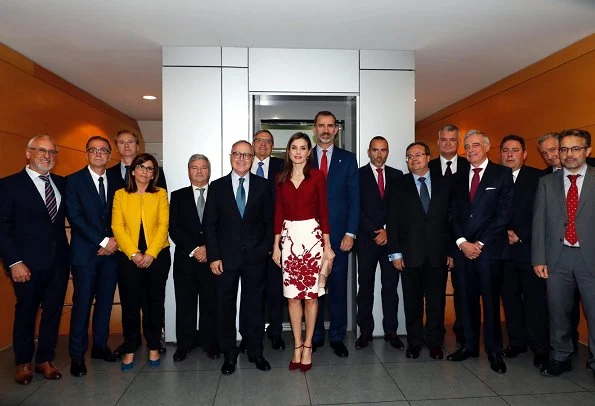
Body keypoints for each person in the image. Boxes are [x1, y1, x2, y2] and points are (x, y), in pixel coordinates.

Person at [0, 135, 70, 385]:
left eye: (52, 152)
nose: (47, 156)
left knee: (53, 312)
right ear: (28, 153)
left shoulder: (62, 183)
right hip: (25, 264)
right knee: (26, 312)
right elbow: (3, 227)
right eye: (41, 150)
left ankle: (45, 359)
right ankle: (23, 362)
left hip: (59, 262)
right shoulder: (9, 185)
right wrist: (14, 262)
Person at [204, 140, 273, 376]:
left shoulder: (264, 186)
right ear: (230, 156)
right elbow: (210, 225)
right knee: (225, 306)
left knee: (254, 305)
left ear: (253, 157)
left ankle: (254, 350)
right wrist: (213, 256)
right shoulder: (217, 187)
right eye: (237, 154)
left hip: (255, 257)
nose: (241, 159)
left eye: (246, 155)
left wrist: (264, 249)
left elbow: (269, 222)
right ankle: (229, 353)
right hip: (225, 259)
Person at [447, 130, 513, 374]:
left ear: (487, 147)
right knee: (466, 300)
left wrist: (480, 243)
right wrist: (463, 242)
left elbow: (504, 214)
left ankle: (495, 352)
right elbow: (451, 214)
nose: (471, 150)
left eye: (476, 145)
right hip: (463, 250)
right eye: (467, 146)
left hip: (490, 250)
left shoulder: (502, 174)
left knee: (491, 302)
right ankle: (469, 346)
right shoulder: (458, 177)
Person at [533, 129, 595, 377]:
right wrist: (538, 258)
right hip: (557, 258)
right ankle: (560, 356)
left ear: (587, 151)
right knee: (558, 311)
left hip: (590, 257)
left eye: (575, 148)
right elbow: (539, 222)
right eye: (564, 149)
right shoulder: (546, 182)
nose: (569, 154)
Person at [271, 132, 333, 372]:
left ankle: (308, 345)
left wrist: (327, 246)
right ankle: (296, 344)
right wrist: (276, 245)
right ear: (289, 151)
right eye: (294, 147)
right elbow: (278, 213)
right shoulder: (280, 178)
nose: (298, 152)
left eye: (303, 148)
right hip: (288, 238)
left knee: (311, 296)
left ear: (309, 152)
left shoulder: (317, 176)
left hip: (312, 238)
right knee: (292, 296)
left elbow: (324, 212)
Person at [387, 142, 452, 360]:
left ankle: (434, 342)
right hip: (409, 254)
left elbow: (451, 220)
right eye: (409, 156)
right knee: (412, 301)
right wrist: (395, 253)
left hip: (437, 253)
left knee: (436, 301)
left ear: (428, 157)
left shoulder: (444, 183)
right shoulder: (398, 185)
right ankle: (414, 342)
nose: (414, 159)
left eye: (418, 155)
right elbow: (392, 221)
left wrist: (451, 250)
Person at [107, 129, 168, 357]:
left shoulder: (160, 194)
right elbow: (117, 227)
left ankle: (153, 345)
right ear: (133, 171)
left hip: (158, 256)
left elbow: (163, 225)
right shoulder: (120, 194)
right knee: (131, 305)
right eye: (141, 167)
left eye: (149, 168)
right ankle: (130, 346)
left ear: (154, 174)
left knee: (154, 303)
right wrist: (134, 253)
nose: (145, 171)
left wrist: (150, 254)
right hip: (128, 257)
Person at [65, 136, 120, 377]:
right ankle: (77, 355)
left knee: (105, 303)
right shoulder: (73, 181)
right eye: (93, 150)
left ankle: (100, 346)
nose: (98, 154)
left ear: (110, 155)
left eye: (103, 150)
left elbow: (124, 214)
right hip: (85, 254)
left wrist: (114, 242)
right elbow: (75, 218)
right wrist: (103, 241)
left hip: (111, 254)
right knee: (82, 304)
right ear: (86, 153)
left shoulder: (118, 181)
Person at [311, 111, 359, 358]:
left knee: (338, 288)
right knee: (314, 289)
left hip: (340, 237)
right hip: (309, 238)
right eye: (321, 125)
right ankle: (315, 335)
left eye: (330, 125)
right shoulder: (303, 158)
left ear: (337, 129)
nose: (326, 130)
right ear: (314, 129)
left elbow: (354, 199)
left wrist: (351, 232)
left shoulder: (348, 160)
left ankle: (337, 336)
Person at [498, 135, 549, 370]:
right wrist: (502, 232)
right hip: (502, 251)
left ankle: (540, 348)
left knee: (534, 302)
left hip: (529, 251)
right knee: (509, 300)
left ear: (525, 154)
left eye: (515, 150)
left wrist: (520, 233)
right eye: (505, 150)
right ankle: (517, 343)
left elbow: (545, 213)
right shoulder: (494, 177)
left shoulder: (539, 178)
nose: (509, 154)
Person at [355, 136, 403, 350]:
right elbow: (356, 208)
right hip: (366, 241)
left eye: (383, 150)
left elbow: (401, 209)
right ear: (368, 152)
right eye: (375, 150)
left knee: (391, 288)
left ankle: (391, 331)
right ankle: (365, 332)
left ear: (388, 152)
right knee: (364, 288)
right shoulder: (357, 175)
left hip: (391, 242)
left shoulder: (397, 175)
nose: (379, 154)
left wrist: (388, 231)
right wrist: (375, 231)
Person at [169, 154, 219, 362]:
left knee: (211, 304)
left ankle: (210, 343)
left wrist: (208, 249)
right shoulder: (178, 196)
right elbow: (174, 228)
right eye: (194, 167)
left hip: (212, 260)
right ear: (188, 170)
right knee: (185, 304)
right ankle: (184, 344)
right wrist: (194, 249)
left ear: (209, 170)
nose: (199, 171)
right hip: (186, 260)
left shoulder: (220, 194)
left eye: (203, 167)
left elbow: (224, 226)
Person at [240, 130, 285, 351]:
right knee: (251, 292)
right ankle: (248, 335)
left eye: (268, 141)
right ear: (253, 144)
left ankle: (275, 333)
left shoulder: (282, 166)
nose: (263, 145)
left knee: (275, 290)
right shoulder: (243, 166)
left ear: (273, 145)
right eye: (259, 141)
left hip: (277, 239)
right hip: (249, 245)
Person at [428, 124, 469, 348]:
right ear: (438, 141)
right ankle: (436, 332)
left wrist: (459, 243)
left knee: (464, 289)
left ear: (458, 143)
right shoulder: (429, 166)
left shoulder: (468, 166)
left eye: (452, 140)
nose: (448, 144)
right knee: (436, 290)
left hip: (465, 239)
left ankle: (464, 330)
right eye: (444, 140)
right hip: (436, 242)